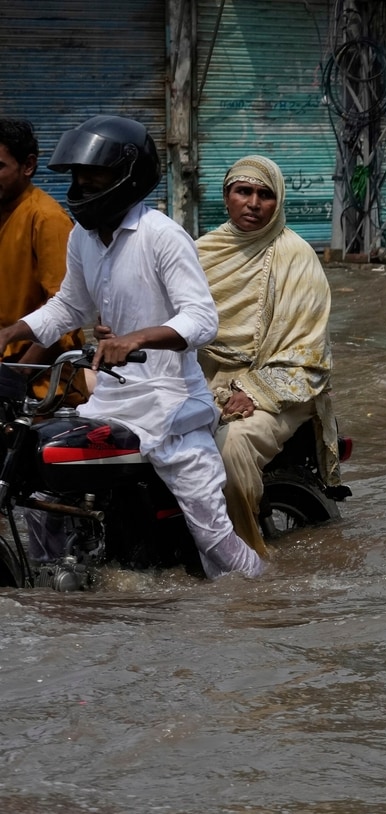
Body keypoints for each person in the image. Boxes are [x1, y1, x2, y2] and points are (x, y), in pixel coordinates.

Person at [0, 115, 261, 578]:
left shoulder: (161, 235)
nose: (81, 185)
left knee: (214, 538)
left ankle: (265, 598)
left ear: (127, 177)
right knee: (42, 485)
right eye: (78, 176)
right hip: (112, 398)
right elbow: (68, 306)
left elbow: (202, 319)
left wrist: (135, 338)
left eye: (93, 175)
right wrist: (11, 333)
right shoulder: (83, 237)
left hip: (172, 405)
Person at [194, 155, 343, 556]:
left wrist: (253, 391)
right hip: (203, 381)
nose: (254, 203)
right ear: (226, 197)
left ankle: (246, 555)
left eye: (265, 195)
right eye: (244, 192)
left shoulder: (296, 256)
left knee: (232, 447)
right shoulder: (200, 253)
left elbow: (306, 351)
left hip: (280, 387)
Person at [0, 117, 84, 384]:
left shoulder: (46, 218)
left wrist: (20, 373)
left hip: (40, 384)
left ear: (28, 165)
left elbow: (67, 311)